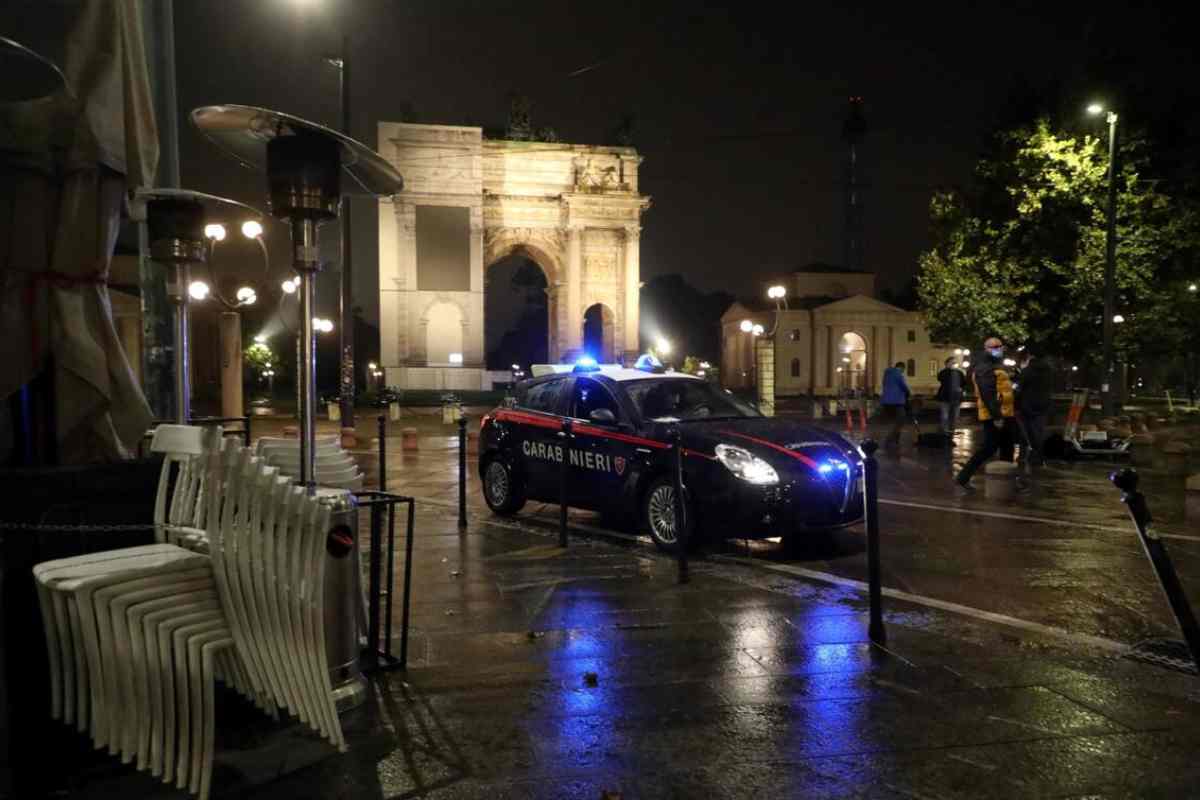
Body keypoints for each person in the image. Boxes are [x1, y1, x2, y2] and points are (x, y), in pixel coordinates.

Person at [955, 336, 1016, 491]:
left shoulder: (995, 365)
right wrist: (997, 416)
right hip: (994, 415)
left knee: (1007, 448)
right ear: (986, 349)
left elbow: (1002, 389)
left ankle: (1008, 483)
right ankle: (963, 477)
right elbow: (987, 394)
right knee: (989, 448)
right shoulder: (985, 367)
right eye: (994, 347)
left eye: (1000, 346)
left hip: (1004, 413)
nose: (999, 349)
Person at [1015, 349, 1054, 470]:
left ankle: (1027, 455)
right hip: (1043, 404)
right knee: (1039, 431)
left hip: (1027, 405)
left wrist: (1016, 403)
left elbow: (1019, 389)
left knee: (1026, 431)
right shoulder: (1049, 371)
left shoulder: (1027, 371)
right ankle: (1038, 456)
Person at [880, 361, 911, 447]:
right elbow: (903, 385)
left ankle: (895, 439)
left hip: (886, 401)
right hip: (897, 401)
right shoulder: (898, 374)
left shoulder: (887, 374)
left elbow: (885, 385)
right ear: (901, 368)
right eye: (903, 370)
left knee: (893, 421)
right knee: (901, 420)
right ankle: (890, 439)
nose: (903, 371)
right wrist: (908, 392)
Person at [935, 357, 965, 438]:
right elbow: (940, 379)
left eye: (954, 363)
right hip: (945, 397)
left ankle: (951, 431)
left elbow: (963, 383)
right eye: (952, 362)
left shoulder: (959, 372)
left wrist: (960, 389)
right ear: (947, 363)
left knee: (955, 416)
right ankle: (944, 432)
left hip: (957, 398)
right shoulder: (943, 372)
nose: (954, 364)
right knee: (945, 416)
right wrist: (948, 370)